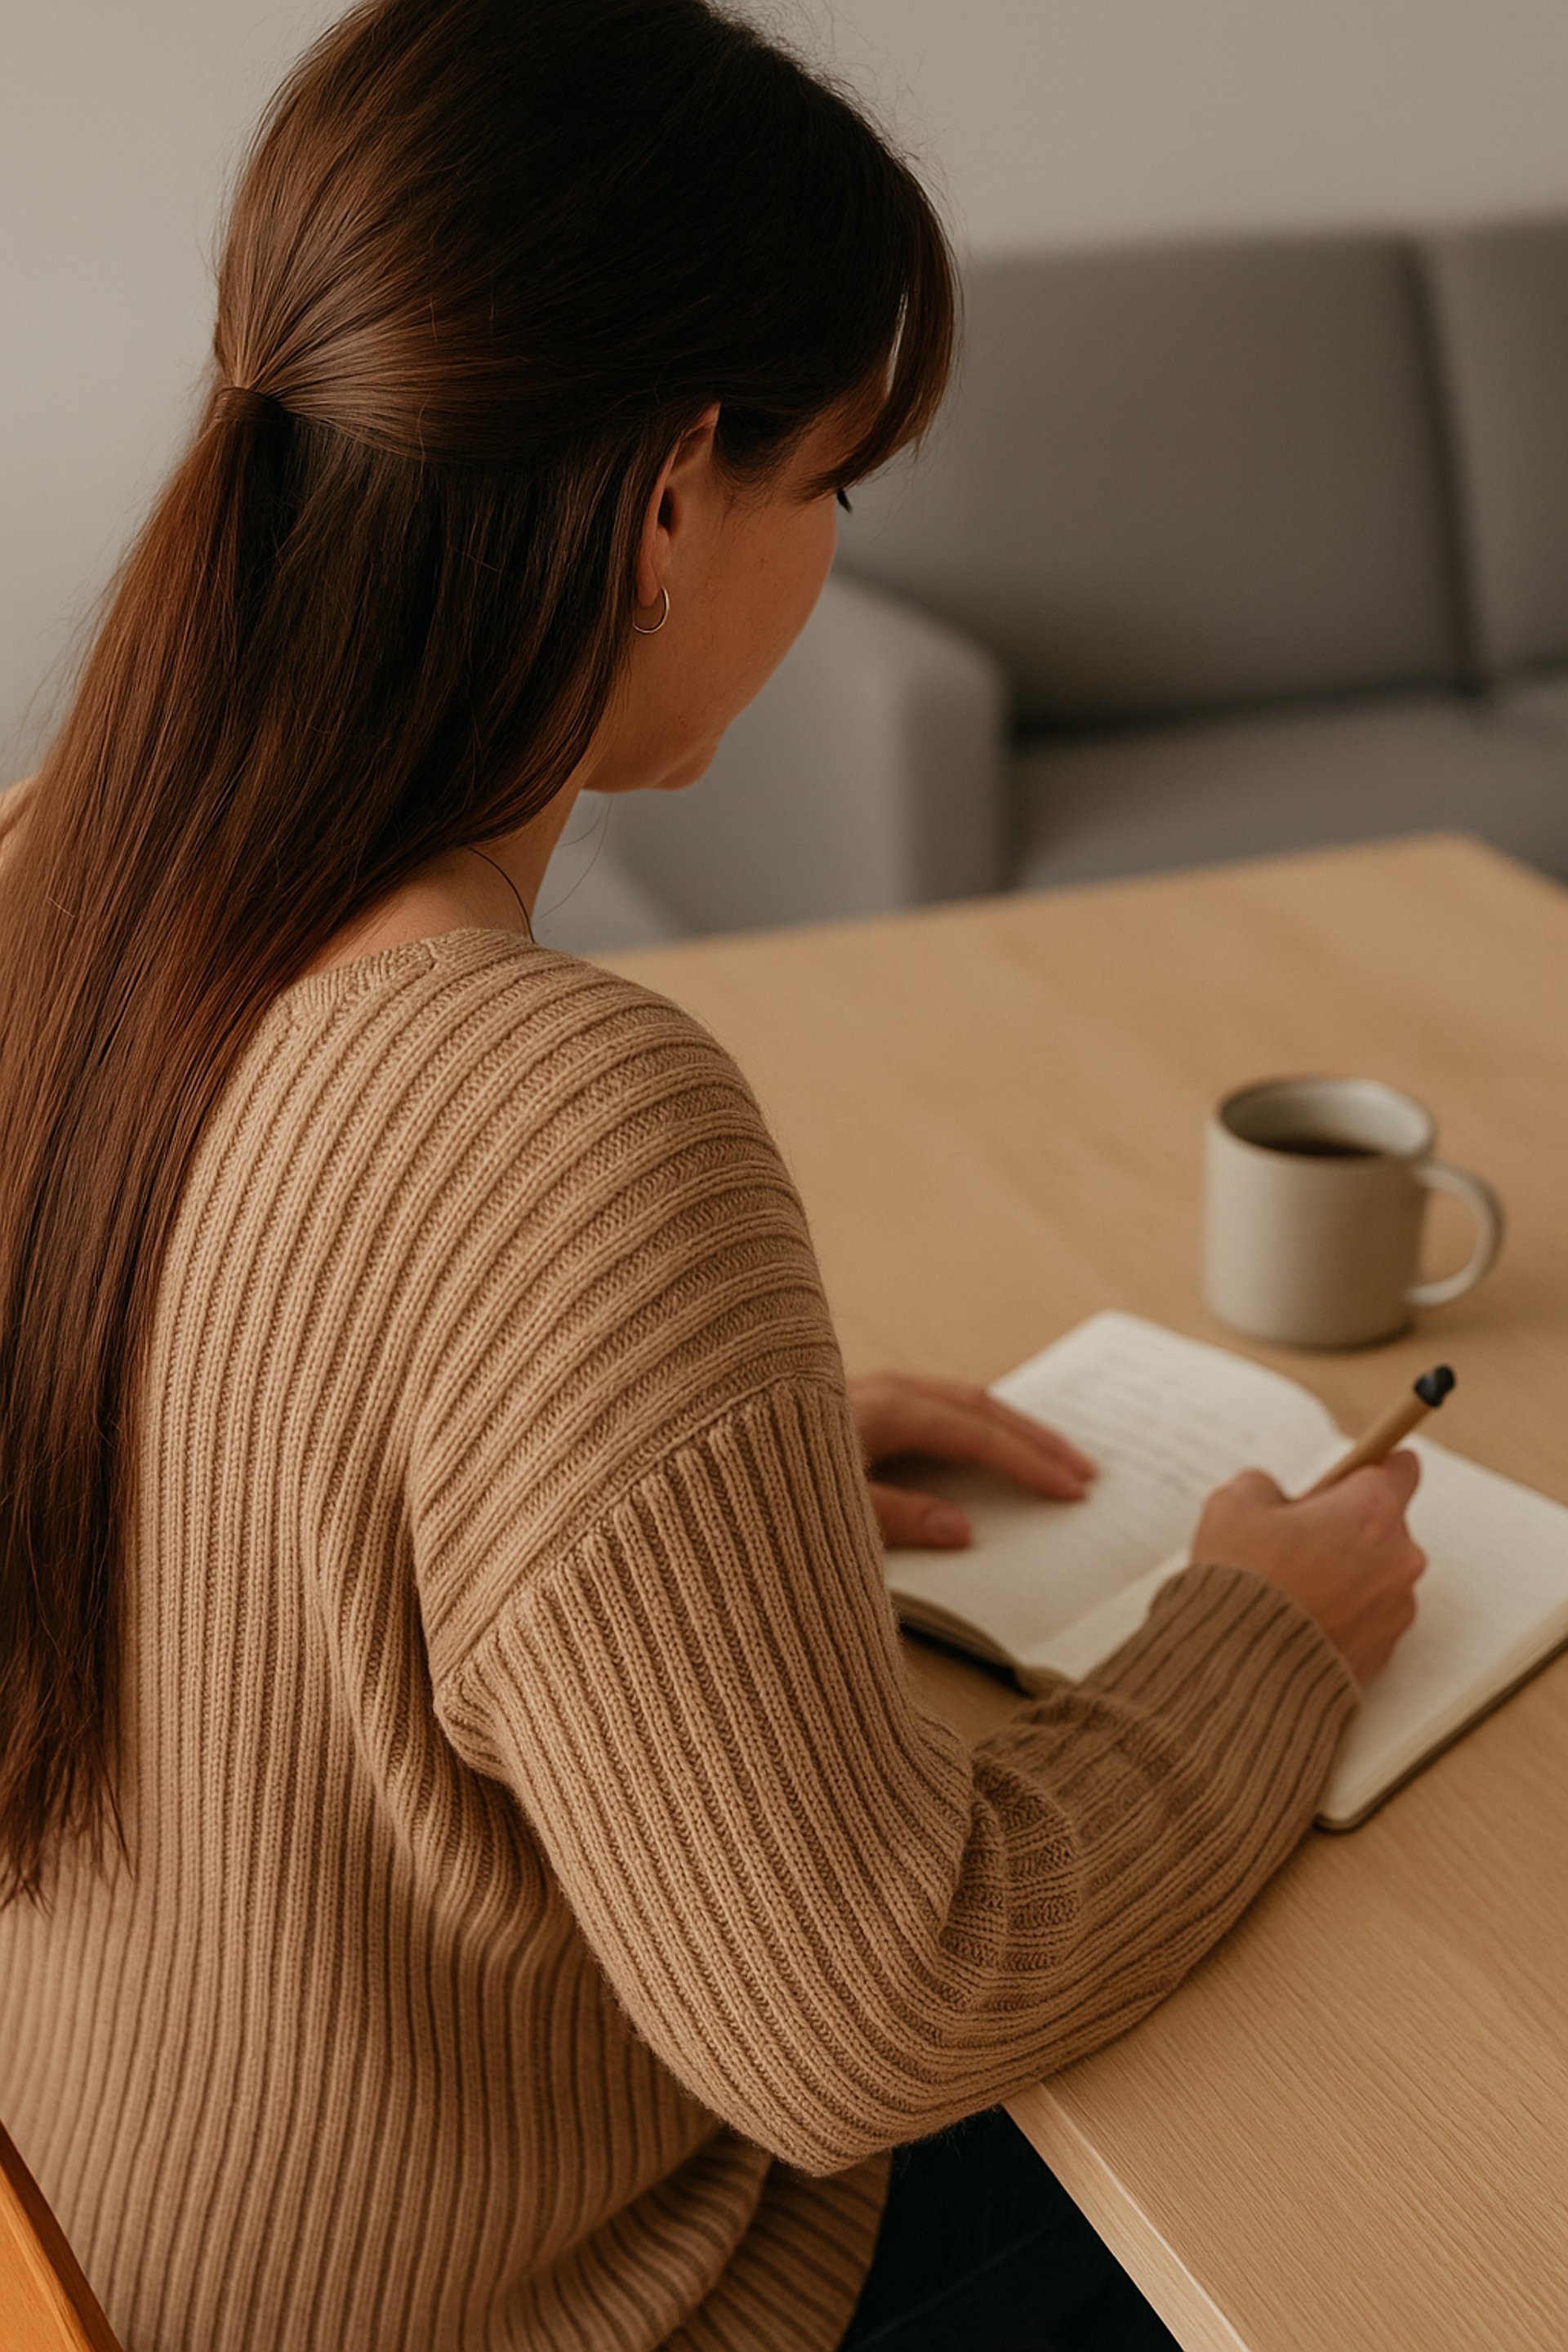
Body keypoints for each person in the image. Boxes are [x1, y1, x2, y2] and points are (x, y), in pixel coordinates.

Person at [0, 2, 1426, 2346]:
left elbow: (201, 1448)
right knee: (1352, 2174)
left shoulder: (58, 870)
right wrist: (1260, 1637)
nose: (836, 560)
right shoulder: (554, 1116)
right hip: (527, 2309)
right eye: (837, 486)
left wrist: (633, 1501)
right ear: (674, 500)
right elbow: (872, 2013)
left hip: (112, 2257)